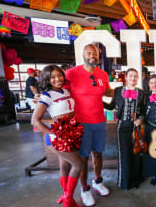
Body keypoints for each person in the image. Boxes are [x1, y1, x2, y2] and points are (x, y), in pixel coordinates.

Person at [65, 43, 113, 206]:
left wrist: (128, 90)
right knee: (83, 158)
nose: (93, 55)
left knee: (98, 154)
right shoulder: (71, 73)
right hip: (81, 122)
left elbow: (108, 91)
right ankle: (84, 189)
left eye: (95, 53)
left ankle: (97, 182)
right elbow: (57, 87)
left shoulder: (102, 74)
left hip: (99, 120)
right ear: (83, 55)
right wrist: (42, 96)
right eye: (89, 52)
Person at [31, 65, 82, 207]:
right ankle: (68, 199)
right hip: (59, 137)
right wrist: (54, 133)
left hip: (70, 132)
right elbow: (34, 120)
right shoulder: (47, 95)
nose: (57, 79)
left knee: (64, 166)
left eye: (59, 75)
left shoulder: (65, 91)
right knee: (78, 165)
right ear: (47, 79)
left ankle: (66, 195)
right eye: (52, 77)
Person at [104, 68, 145, 190]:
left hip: (135, 127)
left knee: (136, 154)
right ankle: (125, 182)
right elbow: (111, 106)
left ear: (138, 78)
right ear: (126, 77)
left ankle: (136, 180)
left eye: (135, 76)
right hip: (122, 127)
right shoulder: (117, 91)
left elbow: (143, 111)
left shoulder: (141, 93)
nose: (133, 78)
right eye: (130, 76)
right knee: (124, 155)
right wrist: (97, 101)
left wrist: (140, 119)